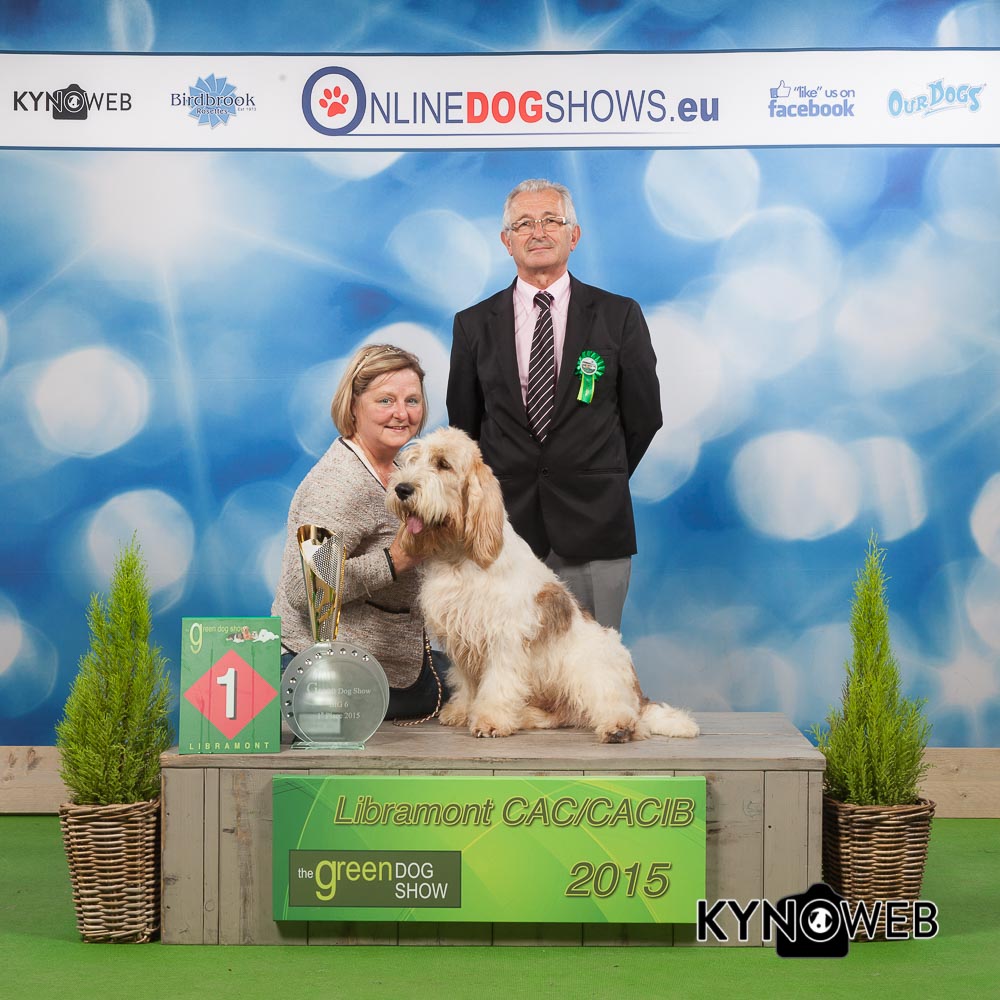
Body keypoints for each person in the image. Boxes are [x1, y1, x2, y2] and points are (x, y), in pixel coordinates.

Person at [447, 178, 662, 632]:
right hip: (503, 531)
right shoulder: (472, 325)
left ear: (573, 235)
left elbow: (644, 417)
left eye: (551, 220)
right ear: (507, 241)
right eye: (524, 224)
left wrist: (596, 470)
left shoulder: (619, 315)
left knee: (593, 660)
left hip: (596, 524)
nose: (538, 232)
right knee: (505, 659)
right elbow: (464, 428)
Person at [272, 343, 441, 719]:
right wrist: (394, 560)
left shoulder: (402, 466)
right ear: (353, 406)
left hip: (393, 663)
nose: (402, 413)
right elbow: (304, 588)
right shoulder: (339, 484)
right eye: (385, 401)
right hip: (328, 676)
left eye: (412, 400)